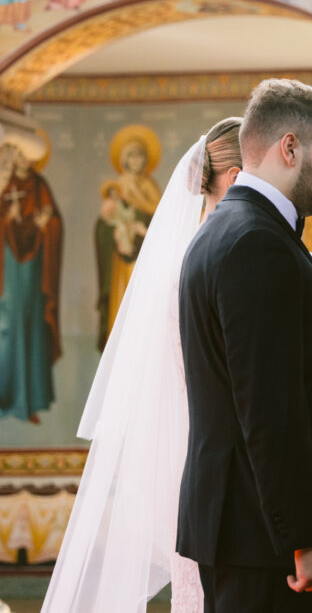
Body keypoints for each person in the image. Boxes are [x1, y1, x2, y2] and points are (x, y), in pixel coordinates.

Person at [42, 117, 243, 612]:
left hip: (184, 450)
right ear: (235, 176)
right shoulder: (213, 257)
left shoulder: (188, 252)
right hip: (208, 453)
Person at [177, 78, 312, 612]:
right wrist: (305, 537)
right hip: (263, 538)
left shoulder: (230, 229)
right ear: (290, 147)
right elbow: (269, 408)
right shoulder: (257, 243)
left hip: (245, 527)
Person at [0, 125, 62, 424]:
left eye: (27, 156)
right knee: (8, 327)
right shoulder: (3, 182)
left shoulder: (40, 185)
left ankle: (30, 401)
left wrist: (44, 223)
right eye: (18, 155)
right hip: (9, 266)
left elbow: (54, 223)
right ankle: (8, 400)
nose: (22, 161)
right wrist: (6, 221)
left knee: (32, 327)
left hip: (34, 269)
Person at [95, 125, 163, 350]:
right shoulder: (119, 188)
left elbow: (162, 221)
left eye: (140, 155)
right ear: (124, 159)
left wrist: (142, 227)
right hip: (121, 265)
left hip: (146, 261)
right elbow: (102, 228)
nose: (136, 160)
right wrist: (114, 230)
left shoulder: (152, 188)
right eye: (132, 155)